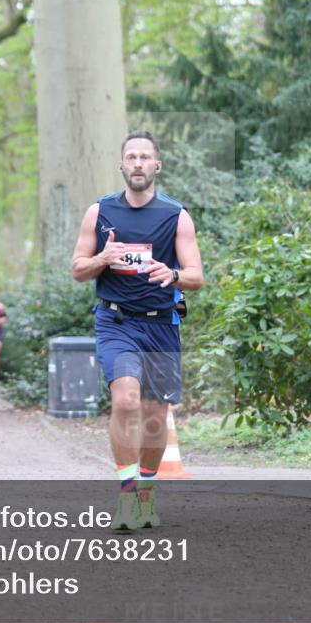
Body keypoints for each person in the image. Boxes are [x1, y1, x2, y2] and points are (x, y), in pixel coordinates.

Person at [71, 131, 203, 531]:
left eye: (146, 157)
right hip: (116, 321)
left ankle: (147, 495)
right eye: (132, 156)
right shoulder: (100, 212)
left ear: (157, 166)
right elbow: (77, 269)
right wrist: (103, 258)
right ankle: (126, 496)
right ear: (122, 165)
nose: (139, 163)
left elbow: (196, 275)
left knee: (154, 415)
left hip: (161, 324)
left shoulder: (175, 215)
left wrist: (174, 274)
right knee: (126, 401)